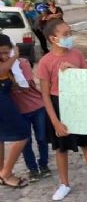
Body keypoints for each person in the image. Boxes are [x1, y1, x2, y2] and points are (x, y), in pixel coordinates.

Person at [38, 19, 87, 201]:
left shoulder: (77, 55)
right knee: (61, 148)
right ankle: (64, 184)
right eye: (65, 34)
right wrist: (55, 121)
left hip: (79, 103)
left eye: (69, 33)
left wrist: (74, 69)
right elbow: (45, 95)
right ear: (53, 38)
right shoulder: (45, 62)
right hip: (58, 105)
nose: (69, 37)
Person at [9, 53, 51, 182]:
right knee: (25, 142)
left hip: (37, 107)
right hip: (19, 111)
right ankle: (32, 169)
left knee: (42, 138)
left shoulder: (23, 63)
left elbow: (24, 87)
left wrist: (6, 74)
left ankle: (43, 165)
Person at [0, 34, 30, 188]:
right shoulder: (8, 62)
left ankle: (2, 173)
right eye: (0, 53)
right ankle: (6, 173)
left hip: (4, 96)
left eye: (7, 52)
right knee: (23, 133)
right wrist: (14, 57)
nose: (4, 56)